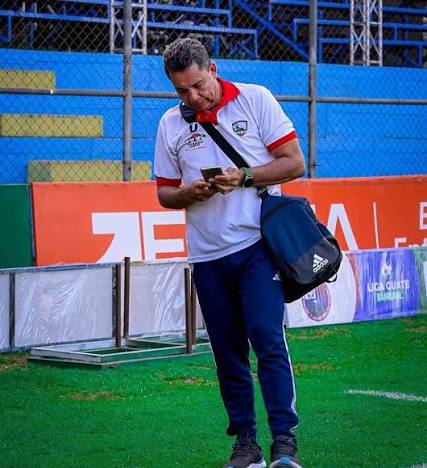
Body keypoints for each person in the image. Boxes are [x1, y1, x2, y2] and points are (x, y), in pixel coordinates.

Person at [154, 37, 305, 468]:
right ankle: (246, 445)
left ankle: (284, 443)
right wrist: (190, 192)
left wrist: (244, 176)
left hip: (258, 245)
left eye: (198, 85)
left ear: (213, 69)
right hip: (206, 256)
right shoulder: (170, 124)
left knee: (267, 338)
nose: (192, 96)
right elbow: (164, 193)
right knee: (227, 351)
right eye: (182, 90)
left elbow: (294, 162)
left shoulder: (255, 99)